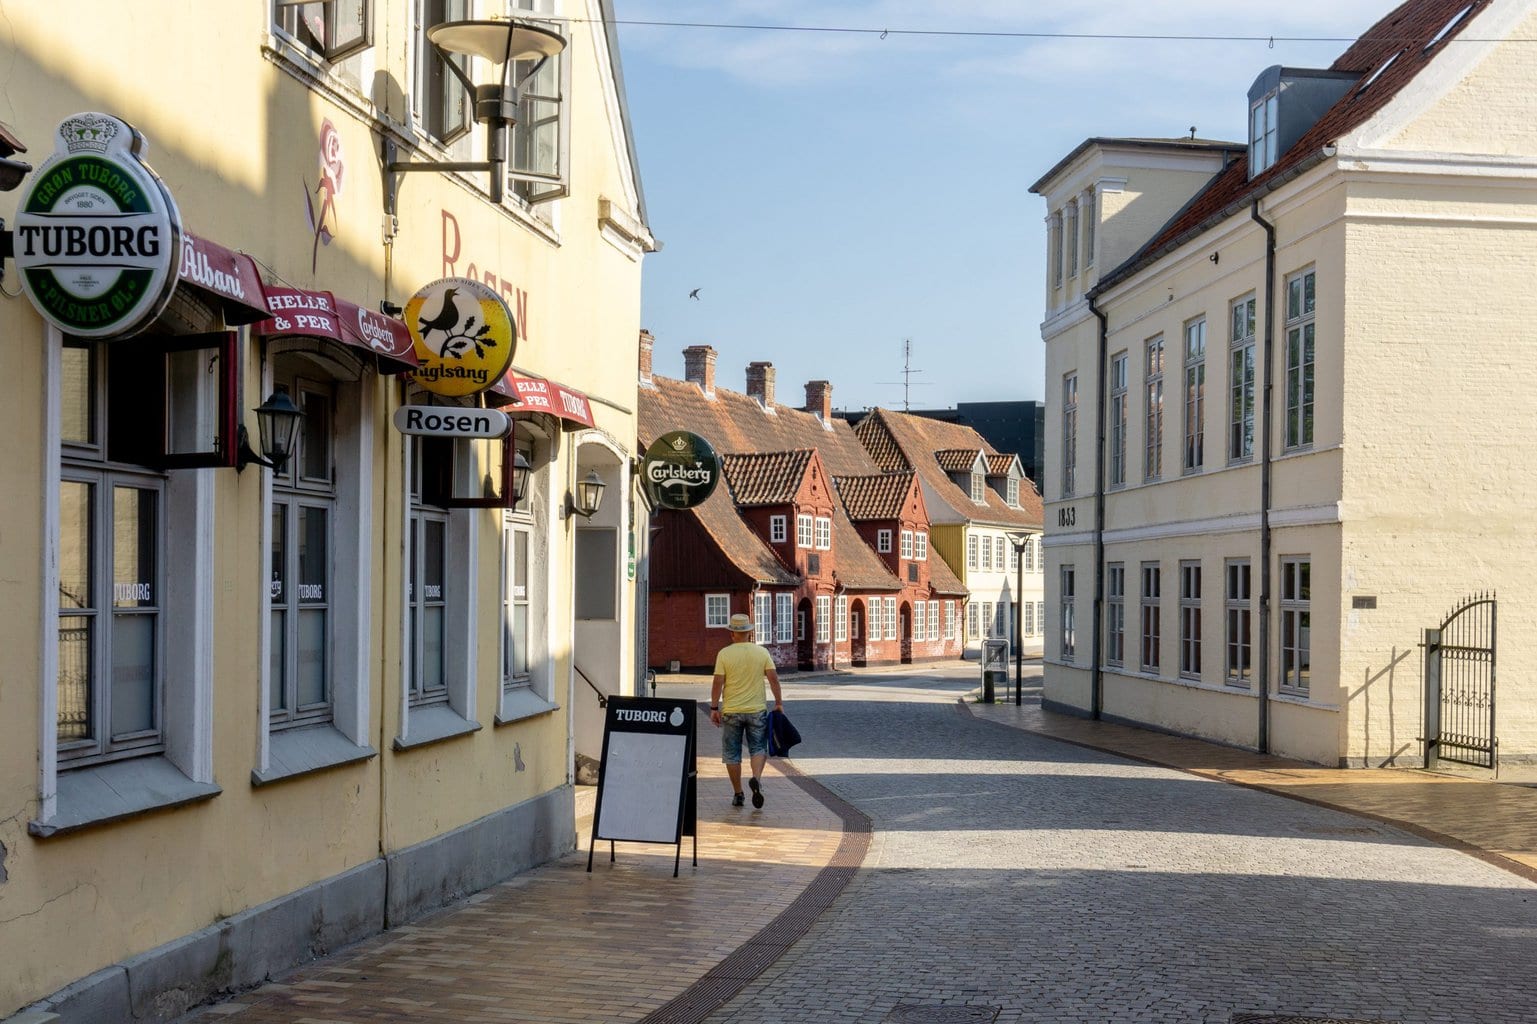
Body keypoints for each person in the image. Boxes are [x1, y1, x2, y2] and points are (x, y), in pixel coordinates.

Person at [709, 612, 783, 808]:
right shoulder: (762, 653)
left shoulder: (724, 654)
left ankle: (738, 794)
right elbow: (773, 679)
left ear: (732, 634)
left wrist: (714, 707)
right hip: (756, 710)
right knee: (758, 748)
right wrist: (778, 703)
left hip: (731, 711)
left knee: (732, 753)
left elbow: (718, 682)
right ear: (749, 633)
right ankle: (756, 779)